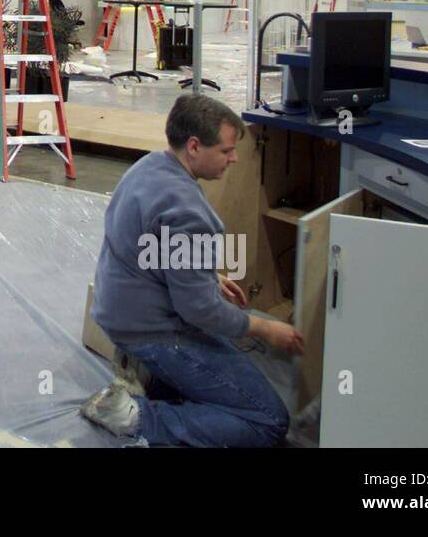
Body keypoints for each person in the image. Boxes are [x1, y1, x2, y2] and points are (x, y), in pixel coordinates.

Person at [84, 95, 301, 447]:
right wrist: (264, 328)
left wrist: (206, 275)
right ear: (195, 146)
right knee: (269, 420)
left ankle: (155, 379)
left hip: (118, 308)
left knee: (223, 383)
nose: (233, 159)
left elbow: (140, 243)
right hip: (151, 330)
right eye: (227, 150)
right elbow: (200, 310)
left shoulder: (150, 166)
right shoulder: (189, 212)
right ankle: (138, 417)